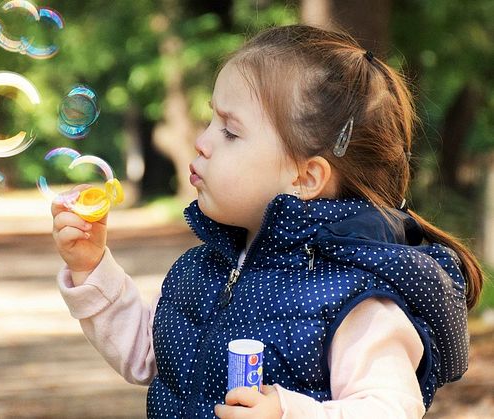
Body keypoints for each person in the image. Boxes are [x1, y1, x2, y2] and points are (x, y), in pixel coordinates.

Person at [51, 24, 483, 418]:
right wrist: (92, 268)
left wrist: (289, 412)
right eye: (210, 119)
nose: (201, 142)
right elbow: (150, 355)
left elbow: (389, 407)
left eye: (230, 131)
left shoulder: (355, 296)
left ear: (305, 176)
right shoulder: (203, 269)